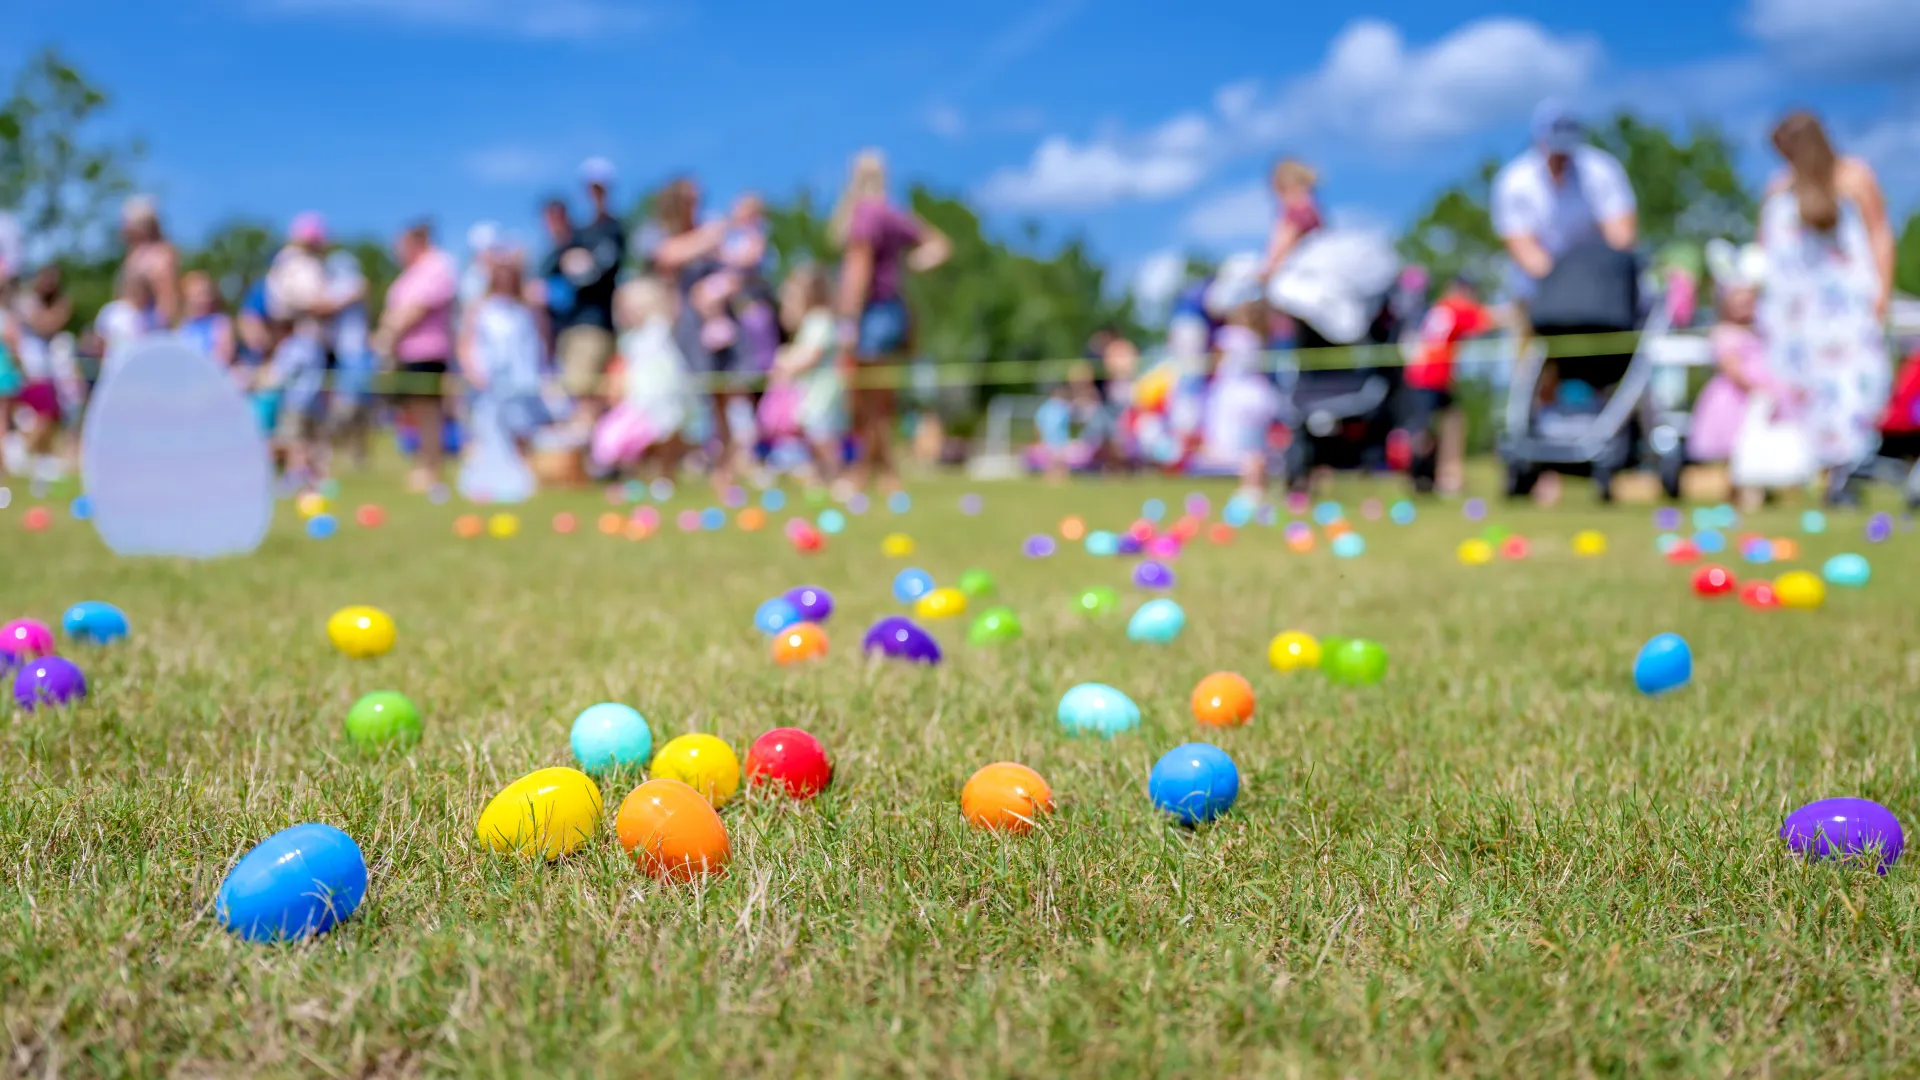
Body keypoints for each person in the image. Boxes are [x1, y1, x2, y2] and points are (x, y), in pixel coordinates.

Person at [1759, 111, 1894, 506]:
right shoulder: (1779, 188)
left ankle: (1845, 475)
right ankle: (1817, 477)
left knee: (1852, 393)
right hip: (1798, 317)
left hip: (1845, 311)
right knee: (1806, 393)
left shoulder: (1854, 177)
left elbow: (1879, 233)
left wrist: (1881, 294)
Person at [829, 150, 951, 492]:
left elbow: (858, 268)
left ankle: (864, 472)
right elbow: (939, 245)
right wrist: (911, 266)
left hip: (871, 314)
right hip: (893, 311)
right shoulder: (893, 214)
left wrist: (848, 320)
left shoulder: (865, 214)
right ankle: (883, 474)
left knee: (864, 401)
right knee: (881, 400)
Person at [642, 176, 745, 485]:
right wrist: (714, 234)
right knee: (675, 399)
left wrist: (721, 287)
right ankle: (667, 469)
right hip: (682, 328)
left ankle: (725, 470)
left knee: (721, 398)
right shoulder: (663, 235)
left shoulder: (711, 233)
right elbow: (667, 256)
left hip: (715, 326)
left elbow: (735, 271)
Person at [1687, 241, 1776, 504]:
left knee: (1756, 449)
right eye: (1738, 301)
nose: (1745, 306)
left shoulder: (1761, 333)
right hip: (1734, 400)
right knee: (1735, 450)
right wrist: (1756, 388)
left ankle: (1758, 491)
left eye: (1749, 301)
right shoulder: (1724, 334)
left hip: (1758, 400)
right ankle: (1735, 494)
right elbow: (1732, 367)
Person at [373, 220, 459, 492]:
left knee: (428, 411)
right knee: (413, 413)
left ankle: (431, 469)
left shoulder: (438, 265)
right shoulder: (410, 272)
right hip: (406, 354)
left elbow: (417, 308)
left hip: (428, 351)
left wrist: (388, 334)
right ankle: (422, 466)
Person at [592, 277, 694, 477]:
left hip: (658, 399)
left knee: (662, 438)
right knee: (623, 438)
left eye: (630, 308)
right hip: (636, 399)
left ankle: (663, 476)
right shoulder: (629, 338)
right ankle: (634, 476)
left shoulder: (657, 331)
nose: (625, 313)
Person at [1404, 277, 1496, 495]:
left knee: (1451, 421)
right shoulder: (1454, 307)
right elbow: (1488, 320)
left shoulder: (1440, 308)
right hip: (1430, 374)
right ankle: (1430, 477)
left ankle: (1440, 476)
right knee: (1427, 430)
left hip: (1426, 373)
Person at [261, 213, 336, 481]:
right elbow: (312, 303)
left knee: (304, 407)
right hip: (301, 344)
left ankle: (307, 470)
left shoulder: (287, 263)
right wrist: (342, 301)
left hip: (297, 343)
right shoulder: (299, 265)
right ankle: (298, 470)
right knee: (299, 408)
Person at [760, 263, 846, 490]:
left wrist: (786, 364)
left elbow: (811, 355)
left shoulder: (820, 320)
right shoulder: (811, 322)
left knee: (822, 435)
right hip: (810, 391)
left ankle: (836, 474)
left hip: (821, 391)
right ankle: (824, 475)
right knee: (813, 433)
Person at [552, 160, 625, 424]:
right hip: (572, 324)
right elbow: (557, 266)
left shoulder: (614, 228)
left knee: (587, 393)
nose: (595, 193)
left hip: (595, 324)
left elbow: (599, 271)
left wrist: (581, 265)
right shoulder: (579, 232)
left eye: (600, 187)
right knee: (579, 392)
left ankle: (587, 458)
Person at [324, 250, 374, 469]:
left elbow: (361, 292)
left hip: (358, 355)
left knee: (359, 408)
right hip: (338, 355)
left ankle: (357, 452)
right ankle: (337, 451)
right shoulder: (330, 287)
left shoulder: (357, 284)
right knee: (343, 409)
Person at [1256, 159, 1323, 283]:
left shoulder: (1297, 211)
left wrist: (1267, 273)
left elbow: (1283, 245)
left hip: (1293, 274)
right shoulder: (1313, 213)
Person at [118, 196, 181, 328]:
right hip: (130, 327)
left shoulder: (162, 255)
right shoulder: (132, 255)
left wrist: (164, 328)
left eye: (127, 222)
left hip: (151, 327)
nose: (123, 228)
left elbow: (168, 298)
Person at [177, 271, 236, 369]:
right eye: (197, 295)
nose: (202, 299)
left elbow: (225, 355)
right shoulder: (183, 326)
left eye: (205, 294)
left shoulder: (220, 322)